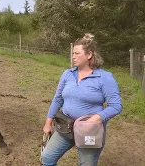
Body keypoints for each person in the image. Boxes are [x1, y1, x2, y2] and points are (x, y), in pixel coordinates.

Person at [41, 33, 123, 166]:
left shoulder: (105, 78)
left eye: (77, 53)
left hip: (89, 131)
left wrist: (97, 117)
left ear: (89, 54)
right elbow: (57, 99)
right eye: (73, 53)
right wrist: (48, 123)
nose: (73, 56)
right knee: (47, 158)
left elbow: (116, 105)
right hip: (65, 127)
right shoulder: (67, 74)